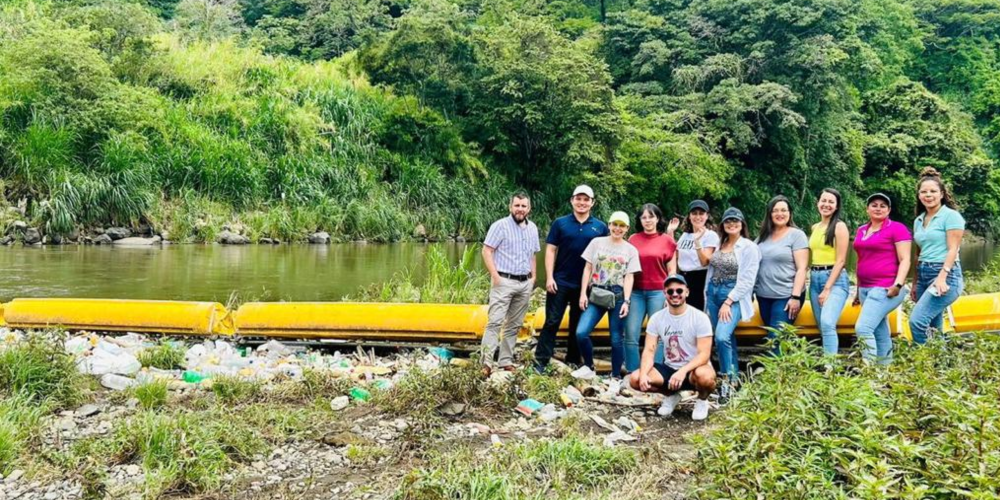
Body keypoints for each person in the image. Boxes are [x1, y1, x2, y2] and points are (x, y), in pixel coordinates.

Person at [534, 185, 609, 373]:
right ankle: (541, 361)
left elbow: (605, 255)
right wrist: (549, 277)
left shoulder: (600, 227)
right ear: (572, 200)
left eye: (586, 199)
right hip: (560, 280)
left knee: (577, 323)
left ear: (592, 202)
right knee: (552, 321)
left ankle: (573, 360)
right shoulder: (560, 223)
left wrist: (596, 280)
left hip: (584, 285)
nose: (582, 203)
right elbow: (550, 250)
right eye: (578, 198)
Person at [628, 274, 716, 421]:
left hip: (693, 369)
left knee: (705, 377)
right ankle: (671, 395)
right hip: (670, 367)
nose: (675, 294)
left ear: (687, 292)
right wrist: (644, 373)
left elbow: (704, 354)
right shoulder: (657, 318)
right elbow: (649, 350)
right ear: (665, 294)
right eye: (670, 291)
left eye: (679, 291)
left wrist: (682, 371)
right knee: (636, 378)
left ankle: (702, 400)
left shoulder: (700, 317)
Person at [574, 211, 641, 379]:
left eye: (622, 226)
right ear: (609, 225)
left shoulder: (631, 250)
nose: (617, 229)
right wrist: (583, 293)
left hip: (617, 294)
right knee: (581, 332)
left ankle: (616, 375)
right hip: (597, 292)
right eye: (615, 224)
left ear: (627, 228)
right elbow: (587, 268)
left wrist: (626, 301)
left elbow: (629, 276)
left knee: (616, 338)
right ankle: (589, 366)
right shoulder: (596, 243)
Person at [479, 193, 540, 376]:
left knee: (514, 324)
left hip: (524, 282)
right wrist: (495, 276)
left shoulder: (533, 229)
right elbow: (487, 251)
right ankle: (486, 363)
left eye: (523, 206)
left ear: (529, 209)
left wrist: (534, 277)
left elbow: (533, 255)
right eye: (517, 205)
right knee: (495, 322)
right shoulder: (500, 226)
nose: (520, 209)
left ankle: (505, 360)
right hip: (503, 280)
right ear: (510, 207)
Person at [704, 207, 759, 396]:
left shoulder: (749, 247)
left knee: (722, 336)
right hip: (713, 292)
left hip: (732, 294)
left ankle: (727, 380)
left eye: (736, 221)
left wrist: (729, 301)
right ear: (723, 225)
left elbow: (748, 279)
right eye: (728, 221)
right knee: (726, 338)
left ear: (742, 224)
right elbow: (710, 268)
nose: (732, 224)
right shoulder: (721, 243)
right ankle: (735, 378)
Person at [853, 193, 911, 363]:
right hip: (865, 289)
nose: (878, 208)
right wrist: (857, 290)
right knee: (879, 330)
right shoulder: (862, 230)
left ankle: (870, 372)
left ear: (889, 210)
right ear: (867, 208)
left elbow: (905, 259)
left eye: (882, 206)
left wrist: (898, 284)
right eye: (874, 205)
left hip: (886, 288)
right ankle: (884, 372)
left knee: (863, 328)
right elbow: (861, 260)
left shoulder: (897, 228)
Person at [909, 168, 965, 343]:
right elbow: (919, 253)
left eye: (933, 191)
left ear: (941, 194)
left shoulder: (951, 216)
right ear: (919, 195)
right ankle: (940, 365)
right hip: (924, 274)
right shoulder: (919, 220)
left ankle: (924, 363)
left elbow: (953, 249)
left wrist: (941, 278)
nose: (928, 195)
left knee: (917, 322)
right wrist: (915, 282)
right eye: (924, 192)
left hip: (945, 275)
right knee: (934, 326)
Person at [625, 204, 679, 372]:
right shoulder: (633, 239)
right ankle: (633, 372)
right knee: (631, 334)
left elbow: (672, 271)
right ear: (640, 220)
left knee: (659, 334)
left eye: (651, 217)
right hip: (636, 292)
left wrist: (670, 294)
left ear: (657, 218)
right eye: (644, 217)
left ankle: (655, 371)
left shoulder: (667, 241)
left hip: (658, 292)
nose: (647, 220)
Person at [754, 195, 809, 347]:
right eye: (775, 210)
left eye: (784, 210)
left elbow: (802, 268)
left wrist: (795, 297)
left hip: (786, 296)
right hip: (763, 296)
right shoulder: (761, 238)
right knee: (773, 336)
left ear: (790, 213)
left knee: (776, 337)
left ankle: (774, 371)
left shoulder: (797, 235)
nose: (780, 214)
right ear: (770, 214)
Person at [808, 189, 850, 355]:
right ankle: (827, 360)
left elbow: (841, 261)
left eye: (831, 202)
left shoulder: (839, 227)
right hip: (814, 278)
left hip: (834, 279)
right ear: (818, 202)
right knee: (821, 325)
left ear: (837, 206)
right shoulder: (815, 227)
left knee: (827, 322)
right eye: (823, 200)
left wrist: (827, 289)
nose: (826, 205)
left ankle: (830, 367)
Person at [671, 200, 718, 311]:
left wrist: (697, 242)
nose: (697, 217)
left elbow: (705, 262)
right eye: (694, 213)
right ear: (689, 216)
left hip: (700, 278)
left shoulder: (710, 235)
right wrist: (670, 233)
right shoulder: (685, 235)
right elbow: (675, 255)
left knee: (697, 313)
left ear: (707, 216)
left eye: (701, 213)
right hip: (683, 277)